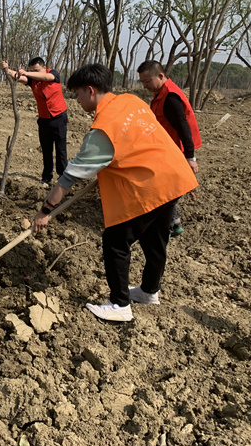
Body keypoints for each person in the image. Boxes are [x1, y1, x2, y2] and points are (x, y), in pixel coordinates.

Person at [33, 64, 198, 322]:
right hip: (174, 176)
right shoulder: (131, 101)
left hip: (151, 184)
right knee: (155, 239)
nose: (76, 101)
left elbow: (69, 177)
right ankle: (149, 291)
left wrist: (45, 211)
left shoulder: (102, 129)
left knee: (115, 241)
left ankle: (120, 304)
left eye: (77, 94)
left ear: (90, 90)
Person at [137, 60, 201, 237]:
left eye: (147, 81)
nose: (145, 85)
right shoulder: (161, 93)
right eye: (142, 82)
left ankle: (169, 226)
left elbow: (183, 127)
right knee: (168, 188)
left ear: (160, 75)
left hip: (176, 150)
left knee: (165, 189)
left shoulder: (171, 98)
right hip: (167, 148)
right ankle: (175, 223)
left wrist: (190, 157)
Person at [1, 57, 68, 184]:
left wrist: (26, 72)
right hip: (44, 120)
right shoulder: (33, 81)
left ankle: (63, 176)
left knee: (61, 149)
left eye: (36, 70)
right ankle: (47, 177)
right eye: (32, 70)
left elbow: (47, 77)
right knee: (46, 150)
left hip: (59, 117)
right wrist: (6, 69)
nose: (34, 73)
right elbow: (18, 77)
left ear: (44, 67)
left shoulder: (53, 74)